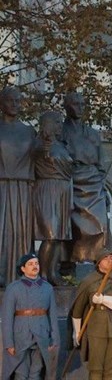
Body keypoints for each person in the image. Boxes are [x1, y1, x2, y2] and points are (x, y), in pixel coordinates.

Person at [62, 91, 110, 262]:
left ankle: (96, 260)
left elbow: (103, 159)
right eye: (76, 104)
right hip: (71, 182)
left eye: (83, 104)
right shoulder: (61, 131)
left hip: (93, 182)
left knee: (100, 223)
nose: (80, 108)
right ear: (66, 107)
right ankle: (71, 262)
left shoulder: (92, 133)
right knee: (73, 228)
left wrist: (99, 176)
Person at [1, 253, 59, 380]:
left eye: (36, 263)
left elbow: (52, 315)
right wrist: (8, 343)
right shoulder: (13, 288)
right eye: (30, 264)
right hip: (20, 336)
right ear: (23, 268)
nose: (35, 266)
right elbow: (6, 318)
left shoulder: (47, 288)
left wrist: (54, 338)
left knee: (36, 372)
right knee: (21, 373)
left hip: (42, 335)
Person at [32, 111, 74, 286]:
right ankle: (41, 273)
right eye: (56, 122)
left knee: (58, 236)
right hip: (47, 189)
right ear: (48, 124)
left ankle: (52, 273)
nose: (59, 126)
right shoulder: (39, 145)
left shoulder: (62, 145)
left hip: (63, 190)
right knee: (50, 234)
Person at [70, 248, 112, 380]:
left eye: (111, 258)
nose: (110, 260)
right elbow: (78, 309)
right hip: (96, 330)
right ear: (99, 262)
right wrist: (77, 332)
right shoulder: (89, 281)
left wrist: (103, 299)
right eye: (106, 258)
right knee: (96, 368)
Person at [0, 86, 35, 288]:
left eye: (17, 101)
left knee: (20, 232)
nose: (14, 104)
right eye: (9, 100)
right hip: (2, 186)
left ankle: (20, 272)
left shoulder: (29, 131)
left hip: (23, 190)